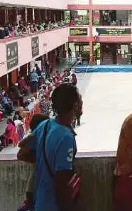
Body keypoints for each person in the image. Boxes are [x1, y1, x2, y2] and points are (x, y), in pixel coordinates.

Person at [17, 83, 83, 211]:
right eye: (80, 99)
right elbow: (62, 183)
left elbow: (22, 152)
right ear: (75, 105)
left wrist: (44, 158)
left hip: (39, 202)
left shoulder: (45, 125)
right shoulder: (66, 137)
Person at [17, 113, 50, 211]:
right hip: (35, 188)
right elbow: (20, 151)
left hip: (35, 186)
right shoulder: (37, 138)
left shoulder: (40, 138)